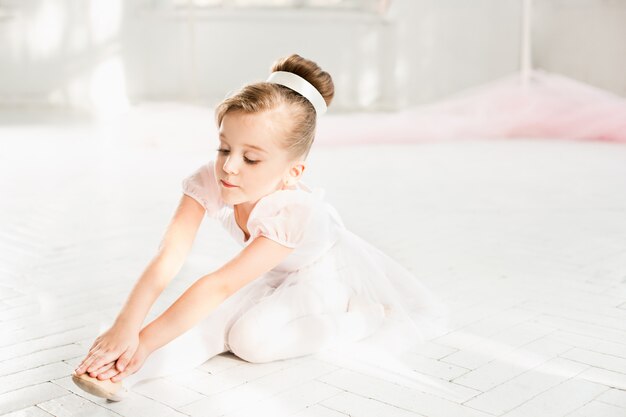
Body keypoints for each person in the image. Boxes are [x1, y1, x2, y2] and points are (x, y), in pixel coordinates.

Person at [71, 53, 449, 401]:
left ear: (292, 173)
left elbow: (218, 284)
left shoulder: (295, 212)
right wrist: (126, 327)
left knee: (250, 340)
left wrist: (145, 338)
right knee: (211, 326)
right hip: (271, 273)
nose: (230, 167)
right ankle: (121, 374)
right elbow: (170, 254)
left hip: (323, 279)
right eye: (224, 149)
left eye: (251, 159)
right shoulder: (211, 179)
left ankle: (365, 316)